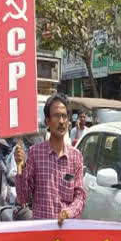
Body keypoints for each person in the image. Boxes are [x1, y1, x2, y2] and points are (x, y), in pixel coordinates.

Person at [15, 93, 86, 224]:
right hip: (41, 234)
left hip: (67, 232)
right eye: (57, 116)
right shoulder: (35, 153)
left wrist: (69, 212)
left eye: (64, 116)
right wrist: (21, 167)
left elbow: (80, 196)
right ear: (47, 121)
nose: (61, 121)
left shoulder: (76, 157)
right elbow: (23, 197)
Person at [0, 137, 32, 221]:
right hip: (8, 173)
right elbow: (0, 159)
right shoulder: (3, 140)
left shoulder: (32, 150)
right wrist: (6, 171)